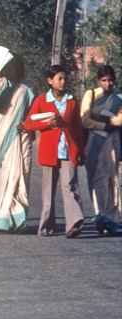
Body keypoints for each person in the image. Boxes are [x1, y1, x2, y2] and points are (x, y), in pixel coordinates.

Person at [23, 65, 86, 238]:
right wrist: (47, 124)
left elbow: (78, 128)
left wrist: (81, 150)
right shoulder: (41, 100)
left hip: (69, 150)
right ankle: (46, 226)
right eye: (59, 78)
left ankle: (74, 223)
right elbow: (29, 124)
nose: (63, 82)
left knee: (70, 186)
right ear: (50, 81)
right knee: (48, 191)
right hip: (49, 151)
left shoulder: (72, 101)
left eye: (65, 78)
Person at [0, 55, 34, 233]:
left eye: (16, 67)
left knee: (18, 176)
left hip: (21, 139)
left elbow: (31, 116)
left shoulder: (26, 92)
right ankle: (6, 214)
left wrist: (27, 128)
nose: (13, 70)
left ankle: (6, 217)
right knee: (2, 178)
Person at [80, 64, 122, 235]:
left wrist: (112, 121)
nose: (108, 83)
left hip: (112, 142)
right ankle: (100, 214)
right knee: (95, 179)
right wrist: (104, 124)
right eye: (104, 80)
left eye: (110, 80)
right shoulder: (90, 95)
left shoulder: (117, 98)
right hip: (94, 141)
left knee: (112, 179)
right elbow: (85, 120)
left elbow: (120, 119)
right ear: (98, 81)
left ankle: (111, 217)